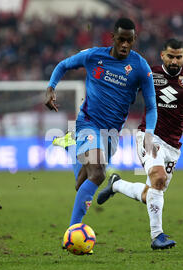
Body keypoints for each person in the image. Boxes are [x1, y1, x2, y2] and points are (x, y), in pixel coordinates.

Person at [45, 18, 158, 244]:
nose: (125, 45)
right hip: (88, 123)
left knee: (82, 184)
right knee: (98, 173)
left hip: (111, 134)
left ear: (134, 39)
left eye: (129, 40)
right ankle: (72, 233)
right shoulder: (94, 55)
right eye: (121, 40)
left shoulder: (140, 67)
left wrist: (149, 133)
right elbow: (63, 65)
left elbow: (152, 106)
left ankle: (70, 146)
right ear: (112, 37)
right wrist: (51, 88)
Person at [96, 38, 183, 249]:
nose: (174, 61)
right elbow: (124, 88)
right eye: (170, 56)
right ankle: (157, 236)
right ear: (162, 55)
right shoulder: (150, 73)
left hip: (173, 146)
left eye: (178, 57)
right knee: (159, 177)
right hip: (148, 135)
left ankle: (117, 185)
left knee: (153, 193)